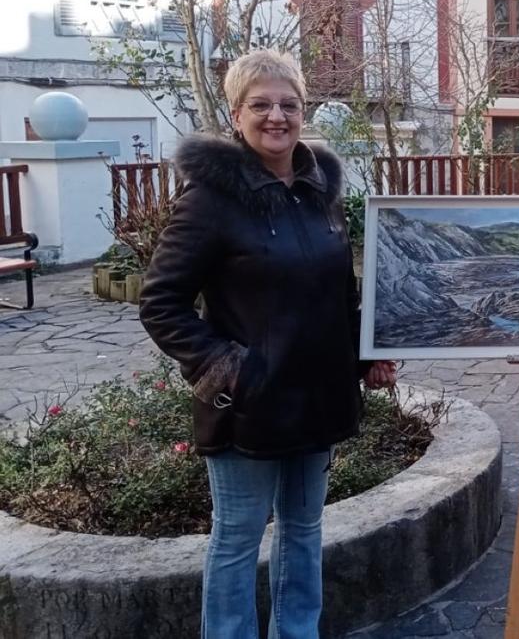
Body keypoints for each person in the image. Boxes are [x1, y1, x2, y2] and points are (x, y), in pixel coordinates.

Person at [139, 48, 396, 638]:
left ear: (304, 112)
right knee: (237, 539)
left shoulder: (320, 192)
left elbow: (340, 294)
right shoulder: (210, 201)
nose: (276, 116)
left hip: (318, 398)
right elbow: (160, 303)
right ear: (236, 114)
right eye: (261, 105)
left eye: (289, 104)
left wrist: (368, 354)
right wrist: (232, 370)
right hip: (249, 405)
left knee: (304, 530)